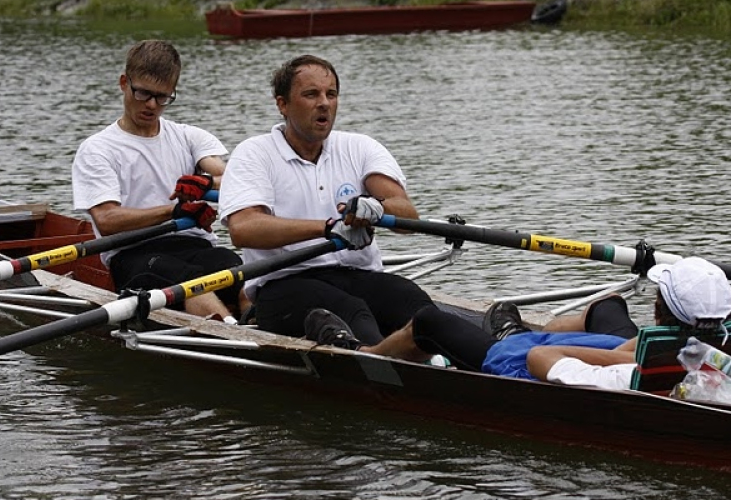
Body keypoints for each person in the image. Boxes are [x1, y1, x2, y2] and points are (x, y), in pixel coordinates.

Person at [218, 54, 474, 344]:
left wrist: (376, 208)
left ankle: (497, 360)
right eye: (311, 94)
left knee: (415, 304)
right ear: (282, 104)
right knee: (352, 312)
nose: (324, 103)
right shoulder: (254, 153)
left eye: (331, 94)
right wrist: (327, 228)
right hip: (284, 285)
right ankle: (392, 363)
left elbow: (408, 218)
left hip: (358, 275)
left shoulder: (359, 147)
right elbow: (244, 229)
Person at [317, 257, 731, 391]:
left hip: (521, 364)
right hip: (640, 355)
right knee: (608, 305)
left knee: (426, 321)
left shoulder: (627, 372)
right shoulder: (714, 358)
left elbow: (539, 357)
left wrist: (622, 352)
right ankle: (509, 329)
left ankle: (362, 353)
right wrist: (633, 346)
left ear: (659, 314)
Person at [72, 39, 245, 323]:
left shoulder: (190, 137)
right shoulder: (98, 149)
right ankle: (239, 337)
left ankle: (256, 320)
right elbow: (107, 219)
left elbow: (231, 180)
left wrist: (205, 183)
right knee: (190, 283)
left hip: (194, 245)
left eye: (163, 97)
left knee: (240, 270)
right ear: (124, 83)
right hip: (134, 253)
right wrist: (174, 211)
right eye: (143, 93)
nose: (152, 105)